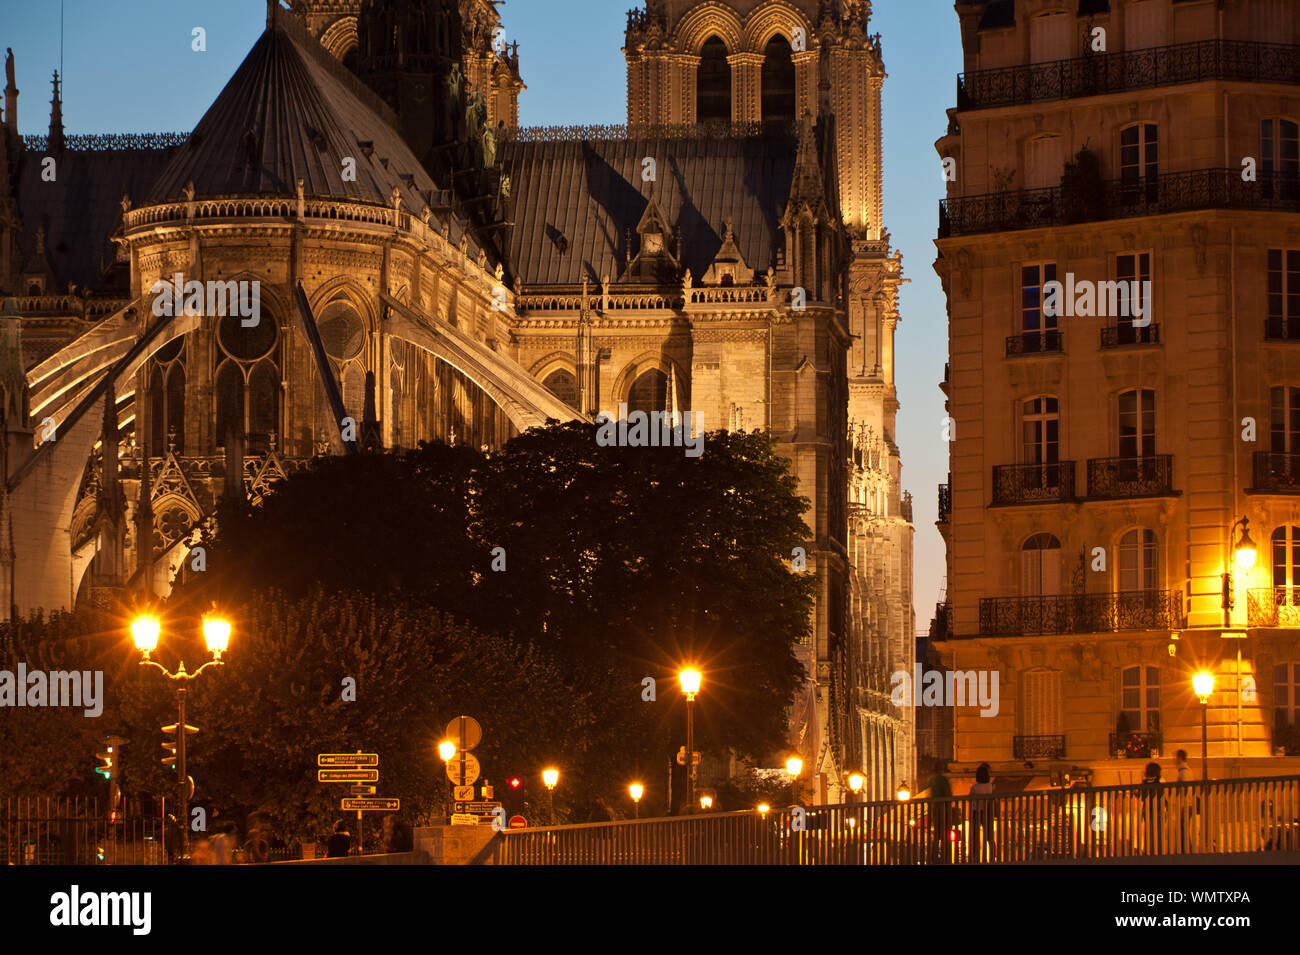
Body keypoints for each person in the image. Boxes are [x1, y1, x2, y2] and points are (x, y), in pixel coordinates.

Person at [968, 762, 996, 863]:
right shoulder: (990, 786)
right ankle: (993, 854)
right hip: (987, 811)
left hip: (976, 812)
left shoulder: (974, 787)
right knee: (989, 834)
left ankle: (975, 856)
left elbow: (969, 797)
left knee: (975, 835)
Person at [926, 761, 953, 864]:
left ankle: (933, 857)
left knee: (936, 834)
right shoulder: (943, 779)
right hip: (944, 809)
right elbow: (948, 793)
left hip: (934, 809)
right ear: (942, 768)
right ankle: (946, 857)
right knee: (946, 834)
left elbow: (928, 793)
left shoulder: (930, 780)